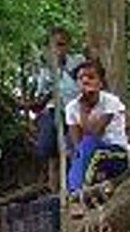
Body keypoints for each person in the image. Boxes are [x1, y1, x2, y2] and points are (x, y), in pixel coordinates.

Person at [63, 60, 130, 203]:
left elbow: (95, 133)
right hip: (91, 157)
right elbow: (77, 144)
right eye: (80, 78)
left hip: (117, 155)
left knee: (90, 144)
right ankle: (78, 191)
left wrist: (83, 109)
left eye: (90, 77)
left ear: (101, 83)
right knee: (79, 152)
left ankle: (76, 194)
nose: (85, 80)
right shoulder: (71, 107)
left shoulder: (111, 102)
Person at [24, 27, 85, 168]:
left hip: (77, 111)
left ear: (68, 46)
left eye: (61, 44)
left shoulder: (78, 61)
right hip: (55, 112)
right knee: (49, 149)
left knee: (76, 147)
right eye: (53, 45)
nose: (58, 49)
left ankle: (78, 182)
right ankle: (55, 187)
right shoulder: (46, 71)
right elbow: (41, 99)